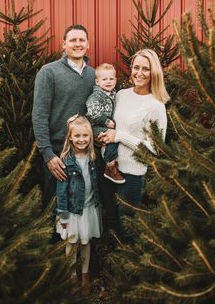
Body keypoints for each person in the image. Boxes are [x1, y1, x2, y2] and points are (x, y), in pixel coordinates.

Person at [98, 49, 170, 239]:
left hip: (131, 175)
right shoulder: (121, 94)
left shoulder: (156, 105)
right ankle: (113, 266)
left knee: (127, 226)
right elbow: (110, 124)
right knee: (111, 220)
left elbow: (155, 149)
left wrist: (120, 136)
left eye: (145, 69)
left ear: (153, 73)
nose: (139, 72)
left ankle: (128, 267)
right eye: (136, 67)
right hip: (108, 168)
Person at [32, 24, 95, 208]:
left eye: (81, 40)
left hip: (85, 150)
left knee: (82, 202)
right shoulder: (48, 72)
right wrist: (48, 154)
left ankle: (79, 237)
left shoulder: (93, 75)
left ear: (88, 44)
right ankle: (53, 238)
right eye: (72, 40)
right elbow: (39, 114)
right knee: (55, 204)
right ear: (63, 45)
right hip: (58, 152)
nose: (77, 44)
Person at [56, 115, 102, 291]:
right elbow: (61, 191)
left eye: (85, 136)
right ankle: (70, 276)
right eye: (77, 136)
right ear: (70, 137)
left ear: (90, 137)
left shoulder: (93, 157)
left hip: (89, 208)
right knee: (72, 243)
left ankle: (85, 275)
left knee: (86, 242)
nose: (81, 140)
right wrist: (62, 215)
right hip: (72, 212)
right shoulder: (66, 161)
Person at [86, 63, 125, 184]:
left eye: (111, 79)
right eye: (104, 79)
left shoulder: (113, 94)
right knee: (112, 139)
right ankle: (110, 165)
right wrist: (106, 121)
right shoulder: (97, 96)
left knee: (114, 137)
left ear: (115, 80)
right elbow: (92, 111)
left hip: (105, 126)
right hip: (96, 127)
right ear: (97, 82)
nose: (108, 82)